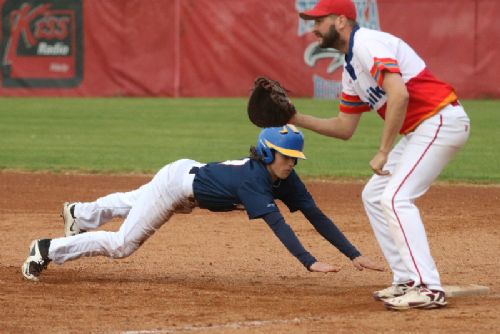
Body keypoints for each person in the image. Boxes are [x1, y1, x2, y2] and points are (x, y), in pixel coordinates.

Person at [22, 125, 384, 282]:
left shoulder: (285, 178)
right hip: (178, 188)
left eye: (295, 157)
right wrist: (309, 262)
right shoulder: (254, 180)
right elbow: (279, 226)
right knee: (121, 245)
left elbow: (315, 215)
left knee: (135, 201)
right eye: (286, 156)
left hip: (184, 177)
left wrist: (353, 254)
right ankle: (47, 248)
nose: (293, 162)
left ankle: (79, 214)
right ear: (268, 153)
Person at [296, 0, 470, 310]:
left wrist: (383, 151)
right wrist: (295, 117)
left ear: (339, 21)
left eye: (318, 21)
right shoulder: (351, 68)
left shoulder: (367, 43)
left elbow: (399, 93)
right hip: (423, 128)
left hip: (439, 119)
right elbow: (344, 126)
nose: (313, 29)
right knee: (374, 195)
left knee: (395, 198)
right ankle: (405, 278)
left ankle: (429, 288)